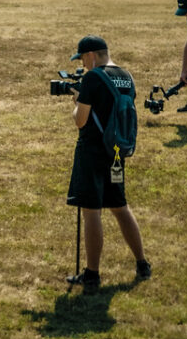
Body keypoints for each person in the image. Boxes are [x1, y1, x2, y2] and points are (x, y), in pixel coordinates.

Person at [64, 35, 151, 295]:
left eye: (82, 59)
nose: (83, 64)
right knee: (119, 206)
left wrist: (76, 102)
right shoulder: (127, 76)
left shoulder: (92, 78)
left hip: (92, 151)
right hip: (116, 151)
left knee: (92, 210)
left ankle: (92, 274)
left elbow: (81, 121)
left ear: (90, 55)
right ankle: (142, 263)